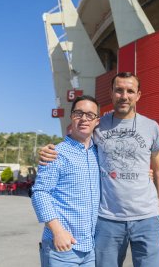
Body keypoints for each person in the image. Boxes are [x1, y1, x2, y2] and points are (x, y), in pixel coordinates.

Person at [39, 72, 159, 267]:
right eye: (119, 90)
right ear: (111, 93)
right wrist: (44, 152)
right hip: (108, 220)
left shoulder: (151, 127)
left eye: (130, 91)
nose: (124, 96)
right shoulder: (99, 125)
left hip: (147, 218)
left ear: (138, 95)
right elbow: (74, 140)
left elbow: (158, 168)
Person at [31, 95, 101, 267]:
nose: (84, 118)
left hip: (90, 249)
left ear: (97, 121)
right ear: (71, 117)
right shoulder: (56, 153)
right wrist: (58, 232)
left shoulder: (99, 154)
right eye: (79, 113)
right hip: (61, 246)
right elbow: (40, 193)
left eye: (90, 115)